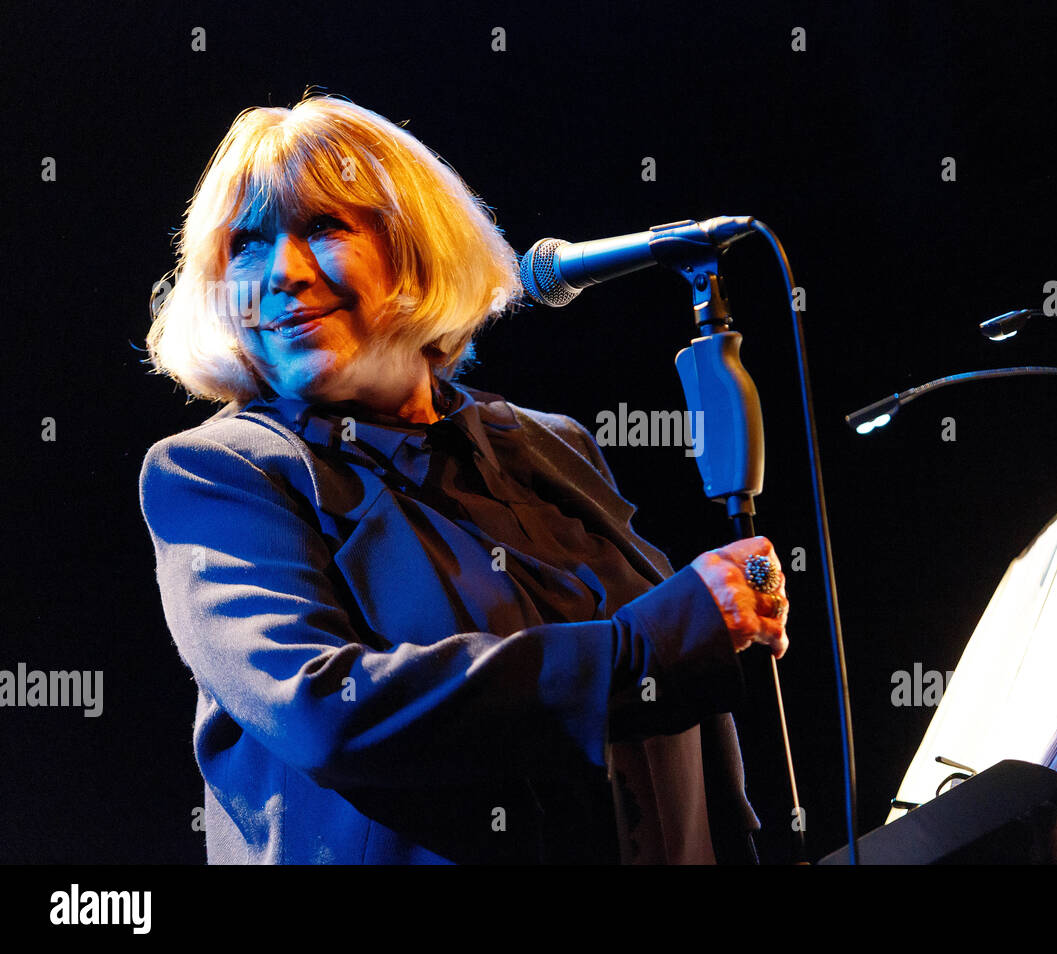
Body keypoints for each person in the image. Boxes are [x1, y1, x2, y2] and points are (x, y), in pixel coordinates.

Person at [138, 94, 790, 864]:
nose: (282, 272)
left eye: (324, 227)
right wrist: (646, 647)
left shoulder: (551, 445)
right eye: (247, 244)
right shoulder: (224, 471)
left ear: (415, 246)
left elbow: (685, 734)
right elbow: (323, 710)